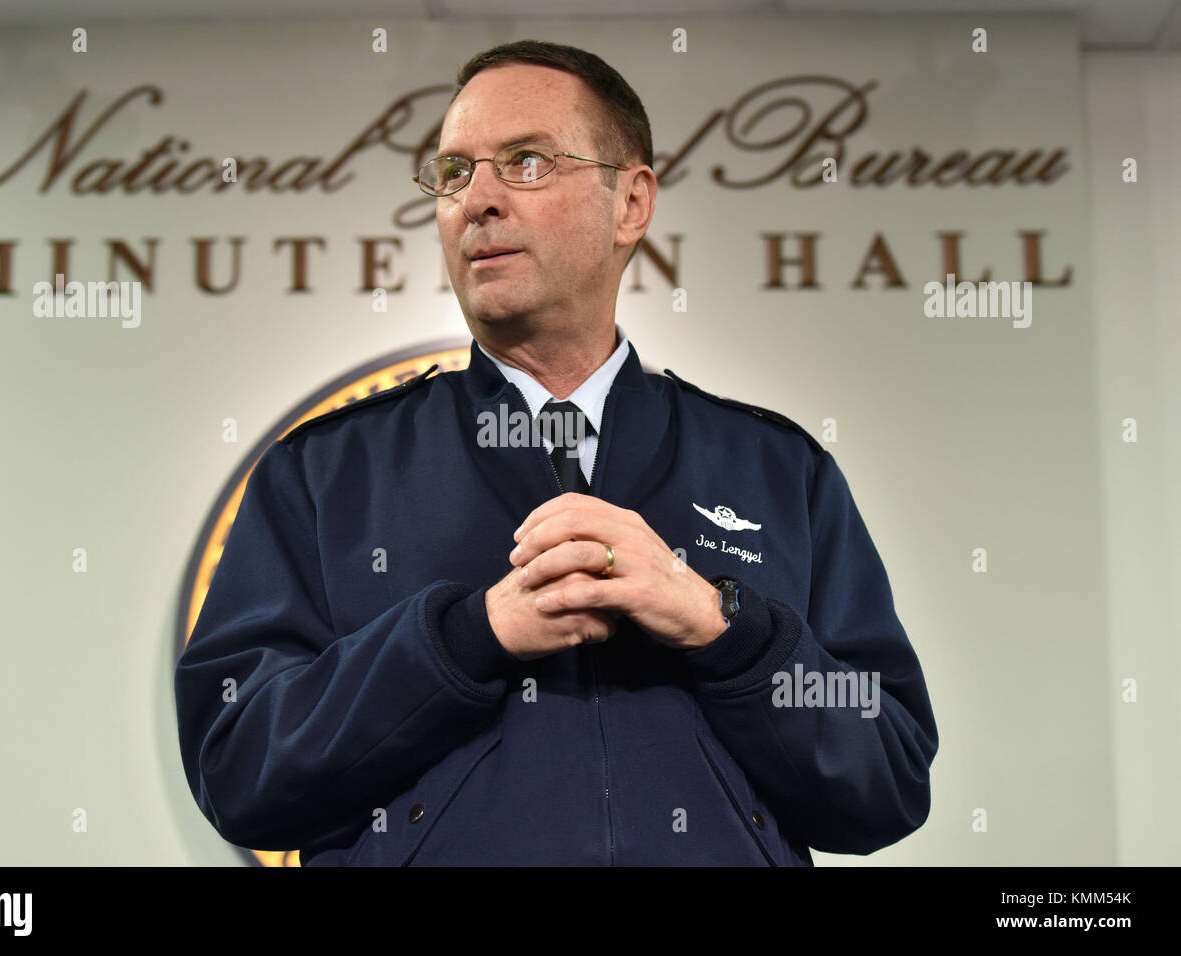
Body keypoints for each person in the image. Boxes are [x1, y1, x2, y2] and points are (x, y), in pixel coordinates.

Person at [174, 39, 938, 866]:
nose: (478, 200)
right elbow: (238, 767)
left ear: (631, 203)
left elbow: (887, 780)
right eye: (454, 172)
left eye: (527, 162)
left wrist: (721, 627)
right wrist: (466, 640)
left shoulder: (780, 471)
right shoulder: (323, 475)